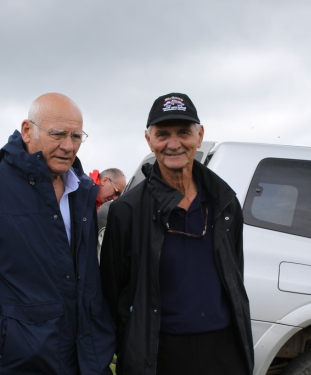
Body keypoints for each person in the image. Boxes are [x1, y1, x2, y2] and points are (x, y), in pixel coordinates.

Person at [0, 93, 115, 375]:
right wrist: (7, 337)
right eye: (58, 134)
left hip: (88, 364)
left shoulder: (84, 193)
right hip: (17, 364)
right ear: (27, 131)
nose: (68, 146)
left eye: (77, 136)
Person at [100, 93, 254, 375]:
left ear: (200, 135)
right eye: (163, 134)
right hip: (159, 355)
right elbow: (113, 294)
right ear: (148, 139)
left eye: (184, 132)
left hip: (224, 352)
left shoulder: (225, 203)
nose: (174, 144)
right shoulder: (126, 212)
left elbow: (235, 275)